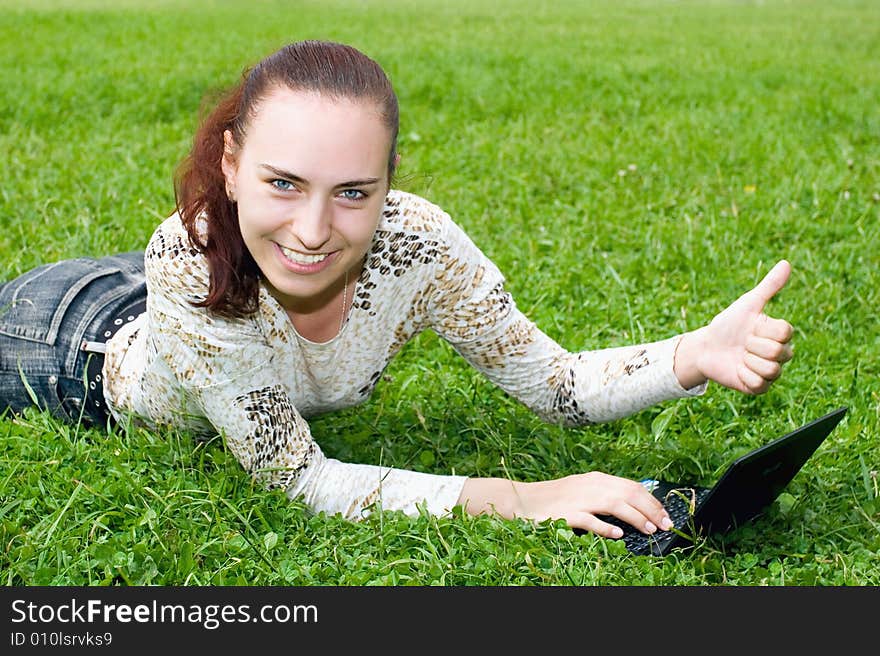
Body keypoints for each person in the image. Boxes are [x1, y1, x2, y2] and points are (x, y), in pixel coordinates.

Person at [0, 40, 794, 542]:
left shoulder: (418, 243)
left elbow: (557, 387)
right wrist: (530, 498)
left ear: (388, 187)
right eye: (283, 182)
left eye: (352, 192)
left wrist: (692, 355)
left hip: (179, 294)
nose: (314, 228)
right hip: (68, 342)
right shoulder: (188, 257)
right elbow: (301, 480)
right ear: (233, 166)